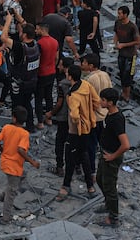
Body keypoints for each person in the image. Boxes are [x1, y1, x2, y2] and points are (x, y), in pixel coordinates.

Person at [56, 65, 98, 200]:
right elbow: (96, 101)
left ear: (70, 77)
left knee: (70, 157)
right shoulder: (86, 85)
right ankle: (90, 187)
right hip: (88, 127)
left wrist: (79, 120)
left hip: (76, 131)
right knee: (84, 155)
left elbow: (74, 115)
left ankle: (65, 186)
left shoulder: (73, 96)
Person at [0, 107, 40, 224]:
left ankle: (1, 197)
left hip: (5, 161)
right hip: (14, 166)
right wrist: (32, 162)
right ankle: (6, 218)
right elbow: (21, 150)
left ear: (14, 118)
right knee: (12, 191)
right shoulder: (24, 134)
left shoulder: (6, 127)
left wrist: (3, 151)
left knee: (18, 179)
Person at [96, 87, 130, 227]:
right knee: (100, 180)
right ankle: (108, 204)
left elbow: (125, 144)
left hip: (111, 157)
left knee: (110, 187)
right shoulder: (110, 114)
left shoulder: (116, 119)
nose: (100, 102)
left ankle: (113, 217)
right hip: (105, 153)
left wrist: (112, 156)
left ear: (110, 102)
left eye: (103, 100)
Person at [113, 6, 140, 101]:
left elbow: (137, 41)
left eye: (120, 13)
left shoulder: (132, 27)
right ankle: (124, 93)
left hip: (131, 55)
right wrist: (116, 43)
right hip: (121, 54)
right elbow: (116, 33)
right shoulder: (117, 23)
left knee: (128, 75)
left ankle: (127, 96)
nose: (118, 15)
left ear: (125, 14)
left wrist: (124, 45)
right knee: (122, 73)